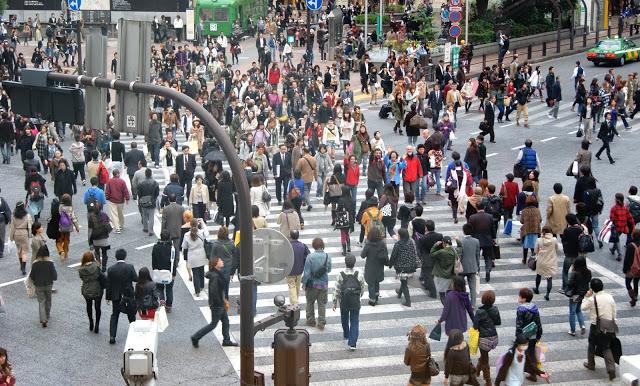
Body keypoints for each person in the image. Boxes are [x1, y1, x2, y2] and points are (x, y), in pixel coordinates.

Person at [191, 257, 238, 348]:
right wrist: (220, 303)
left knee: (225, 321)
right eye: (220, 261)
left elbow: (219, 291)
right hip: (217, 304)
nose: (222, 261)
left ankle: (226, 340)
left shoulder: (216, 274)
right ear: (215, 264)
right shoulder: (215, 276)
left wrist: (223, 300)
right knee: (213, 324)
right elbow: (214, 292)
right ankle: (195, 337)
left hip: (219, 303)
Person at [582, 278, 617, 381]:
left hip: (596, 326)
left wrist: (586, 297)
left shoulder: (593, 299)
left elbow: (583, 307)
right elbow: (614, 311)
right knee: (606, 347)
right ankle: (611, 369)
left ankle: (591, 364)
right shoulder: (609, 297)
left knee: (592, 343)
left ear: (592, 289)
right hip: (610, 324)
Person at [332, 253, 365, 350]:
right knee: (355, 320)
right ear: (354, 263)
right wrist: (359, 296)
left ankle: (346, 334)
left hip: (344, 301)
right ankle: (352, 343)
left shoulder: (341, 274)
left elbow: (336, 289)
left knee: (344, 317)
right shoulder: (359, 274)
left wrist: (334, 302)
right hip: (355, 301)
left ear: (345, 263)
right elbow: (362, 288)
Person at [106, 249, 138, 344]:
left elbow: (108, 285)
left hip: (116, 296)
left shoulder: (111, 269)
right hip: (128, 295)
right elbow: (135, 279)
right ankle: (135, 332)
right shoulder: (129, 267)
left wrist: (108, 297)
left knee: (115, 315)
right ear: (125, 256)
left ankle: (112, 336)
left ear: (116, 257)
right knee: (131, 314)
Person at [515, 288, 547, 382]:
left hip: (524, 337)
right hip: (533, 335)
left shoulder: (521, 309)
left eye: (520, 296)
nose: (518, 297)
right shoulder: (534, 307)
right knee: (531, 354)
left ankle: (519, 374)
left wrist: (518, 337)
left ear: (524, 299)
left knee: (520, 355)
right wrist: (539, 335)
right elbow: (538, 322)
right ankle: (533, 374)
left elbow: (519, 325)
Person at [302, 237, 331, 330]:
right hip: (323, 285)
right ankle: (321, 322)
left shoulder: (310, 257)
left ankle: (311, 320)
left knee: (310, 302)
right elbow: (329, 269)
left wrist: (304, 284)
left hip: (312, 285)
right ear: (322, 245)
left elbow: (306, 273)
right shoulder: (327, 256)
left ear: (314, 246)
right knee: (322, 304)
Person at [473, 290, 501, 384]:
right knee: (484, 356)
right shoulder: (495, 309)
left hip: (484, 340)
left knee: (485, 360)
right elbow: (498, 322)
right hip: (494, 338)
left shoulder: (479, 312)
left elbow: (475, 327)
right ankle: (477, 371)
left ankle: (488, 381)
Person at [390, 228, 420, 307]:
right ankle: (399, 293)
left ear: (400, 235)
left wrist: (390, 264)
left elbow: (393, 256)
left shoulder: (398, 244)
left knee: (404, 284)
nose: (397, 235)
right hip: (411, 266)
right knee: (404, 280)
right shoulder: (411, 242)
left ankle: (408, 301)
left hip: (402, 267)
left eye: (398, 234)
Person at [361, 226, 389, 306]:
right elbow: (385, 254)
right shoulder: (382, 244)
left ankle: (372, 299)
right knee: (377, 282)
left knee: (371, 284)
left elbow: (362, 255)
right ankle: (376, 296)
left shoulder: (368, 244)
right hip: (379, 266)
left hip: (370, 267)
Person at [29, 245, 56, 328]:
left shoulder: (35, 263)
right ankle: (47, 315)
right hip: (48, 284)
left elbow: (32, 276)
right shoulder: (50, 263)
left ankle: (43, 319)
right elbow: (55, 276)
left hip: (38, 285)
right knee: (48, 300)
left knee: (41, 301)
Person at [182, 218, 208, 297]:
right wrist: (203, 223)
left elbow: (184, 246)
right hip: (201, 254)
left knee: (195, 273)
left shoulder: (186, 235)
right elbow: (207, 233)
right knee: (201, 270)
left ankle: (197, 291)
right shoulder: (201, 233)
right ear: (197, 225)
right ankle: (201, 286)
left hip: (192, 255)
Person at [152, 230, 177, 312]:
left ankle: (162, 300)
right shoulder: (172, 249)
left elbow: (153, 260)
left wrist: (154, 269)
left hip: (159, 271)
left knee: (159, 288)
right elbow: (174, 262)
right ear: (169, 237)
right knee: (169, 289)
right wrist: (174, 273)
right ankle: (169, 305)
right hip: (169, 272)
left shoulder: (156, 247)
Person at [78, 251, 103, 334]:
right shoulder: (97, 266)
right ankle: (97, 325)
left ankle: (91, 322)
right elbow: (100, 275)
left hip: (87, 290)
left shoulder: (81, 269)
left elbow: (82, 278)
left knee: (89, 306)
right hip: (97, 289)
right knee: (97, 307)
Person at [566, 256, 592, 336]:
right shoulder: (588, 272)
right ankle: (582, 325)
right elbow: (588, 281)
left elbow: (569, 284)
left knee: (572, 312)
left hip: (575, 294)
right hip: (582, 293)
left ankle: (572, 330)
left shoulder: (575, 273)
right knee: (578, 310)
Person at [533, 225, 559, 301]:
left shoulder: (539, 240)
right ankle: (547, 294)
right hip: (551, 261)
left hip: (541, 261)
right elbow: (556, 249)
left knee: (538, 275)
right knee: (549, 278)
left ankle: (537, 289)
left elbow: (535, 251)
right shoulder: (554, 240)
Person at [431, 236, 458, 304]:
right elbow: (460, 248)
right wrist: (458, 241)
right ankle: (450, 307)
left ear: (443, 243)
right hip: (450, 275)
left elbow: (432, 254)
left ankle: (447, 308)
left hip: (441, 275)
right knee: (449, 293)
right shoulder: (454, 251)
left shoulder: (441, 252)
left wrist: (435, 245)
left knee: (442, 295)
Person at [610, 192, 635, 260]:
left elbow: (611, 218)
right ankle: (613, 250)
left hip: (616, 227)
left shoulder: (614, 208)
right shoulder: (625, 208)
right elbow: (630, 217)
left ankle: (620, 255)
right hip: (622, 228)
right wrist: (633, 225)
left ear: (617, 200)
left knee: (616, 240)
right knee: (616, 239)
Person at [9, 202, 32, 275]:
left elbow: (12, 228)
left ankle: (21, 265)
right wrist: (30, 235)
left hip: (16, 233)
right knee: (24, 251)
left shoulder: (14, 216)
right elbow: (29, 226)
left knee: (19, 250)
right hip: (24, 233)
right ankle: (24, 268)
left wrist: (11, 237)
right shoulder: (27, 215)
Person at [104, 169, 130, 234]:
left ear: (113, 174)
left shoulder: (109, 181)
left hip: (112, 200)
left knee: (114, 214)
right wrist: (127, 199)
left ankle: (117, 228)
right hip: (120, 201)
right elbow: (125, 191)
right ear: (118, 174)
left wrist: (107, 198)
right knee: (120, 213)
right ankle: (121, 225)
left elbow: (107, 191)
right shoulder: (122, 181)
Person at [287, 230, 309, 305]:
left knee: (291, 286)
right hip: (300, 270)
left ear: (290, 236)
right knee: (297, 286)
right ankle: (295, 300)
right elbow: (308, 257)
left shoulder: (287, 245)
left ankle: (294, 303)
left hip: (289, 270)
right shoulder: (303, 245)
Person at [161, 194, 185, 262]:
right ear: (176, 199)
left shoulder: (166, 209)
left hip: (168, 232)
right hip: (178, 231)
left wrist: (162, 231)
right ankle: (176, 261)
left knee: (168, 247)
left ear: (169, 200)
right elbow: (183, 221)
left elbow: (163, 222)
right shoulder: (181, 208)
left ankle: (169, 260)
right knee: (177, 247)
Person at [56, 193, 79, 261]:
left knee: (59, 241)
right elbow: (73, 218)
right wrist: (77, 227)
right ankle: (65, 253)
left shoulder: (60, 207)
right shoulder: (70, 208)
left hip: (60, 226)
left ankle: (61, 251)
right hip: (68, 227)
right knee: (66, 240)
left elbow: (56, 216)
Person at [137, 168, 159, 236]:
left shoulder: (141, 183)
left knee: (144, 215)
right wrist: (154, 198)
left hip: (143, 200)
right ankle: (150, 230)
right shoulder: (155, 183)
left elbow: (139, 193)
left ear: (145, 174)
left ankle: (145, 228)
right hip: (152, 200)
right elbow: (157, 193)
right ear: (151, 174)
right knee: (151, 216)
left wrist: (141, 198)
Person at [520, 196, 541, 264]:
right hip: (535, 230)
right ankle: (534, 259)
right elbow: (540, 220)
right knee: (534, 246)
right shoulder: (537, 210)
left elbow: (521, 221)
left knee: (525, 246)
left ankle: (524, 259)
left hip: (526, 230)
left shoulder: (524, 211)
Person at [623, 229, 640, 306]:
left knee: (627, 283)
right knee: (636, 282)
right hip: (639, 268)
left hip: (631, 268)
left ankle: (633, 297)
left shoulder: (630, 246)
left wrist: (625, 269)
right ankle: (635, 296)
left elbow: (627, 259)